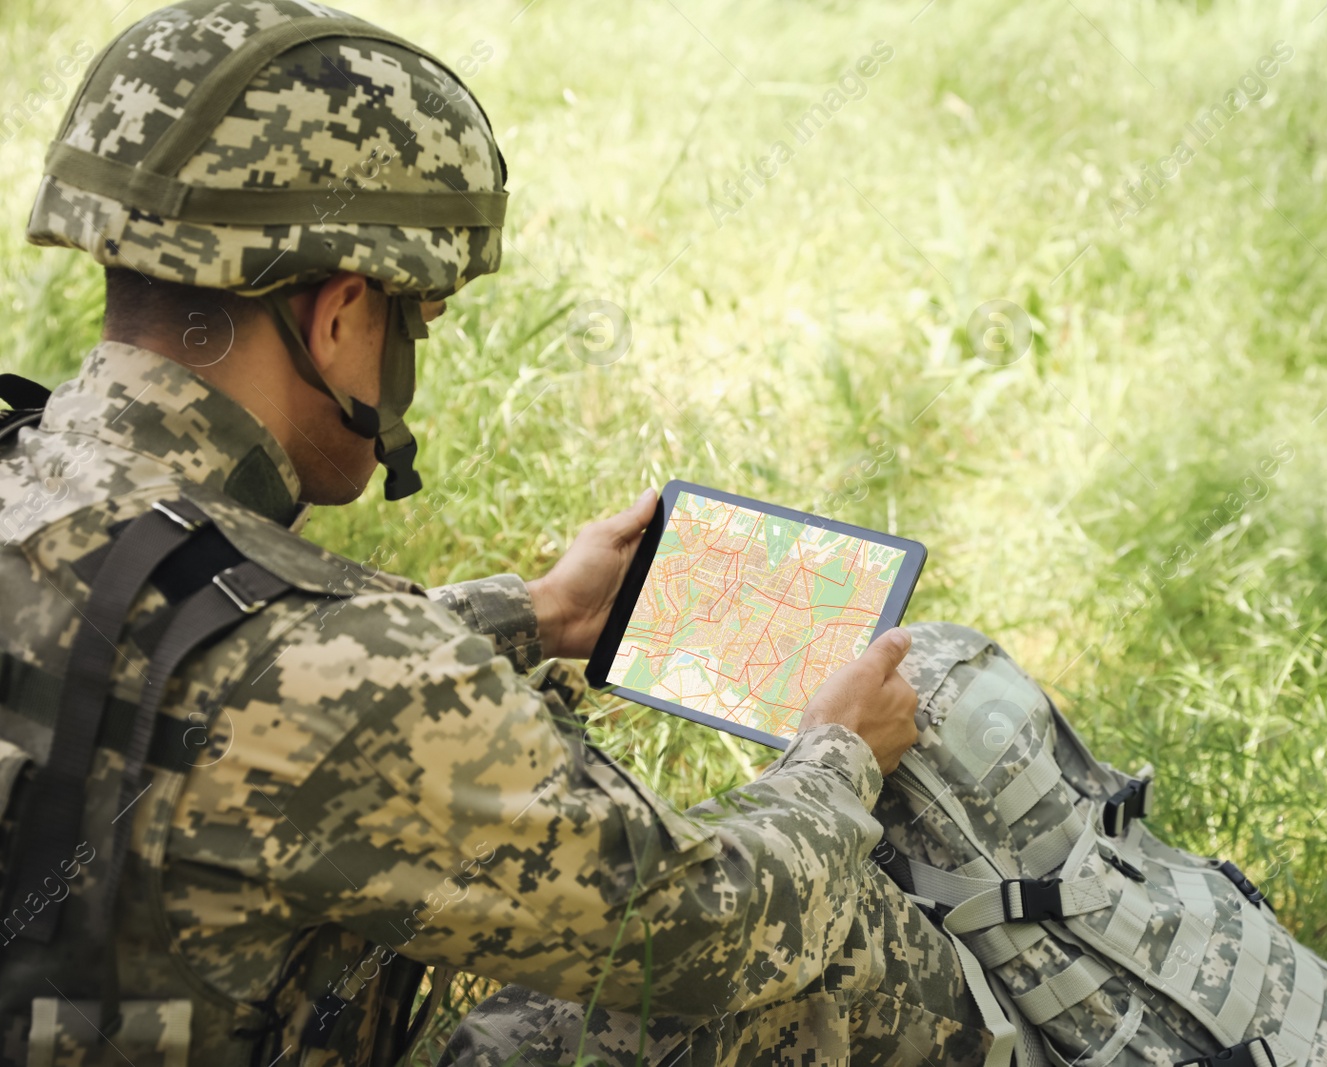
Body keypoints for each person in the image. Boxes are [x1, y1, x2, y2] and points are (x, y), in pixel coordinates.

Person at [0, 2, 997, 1064]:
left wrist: (531, 614)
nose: (411, 356)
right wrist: (837, 755)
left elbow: (164, 652)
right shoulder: (351, 677)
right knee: (837, 959)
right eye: (414, 321)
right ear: (340, 316)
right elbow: (702, 930)